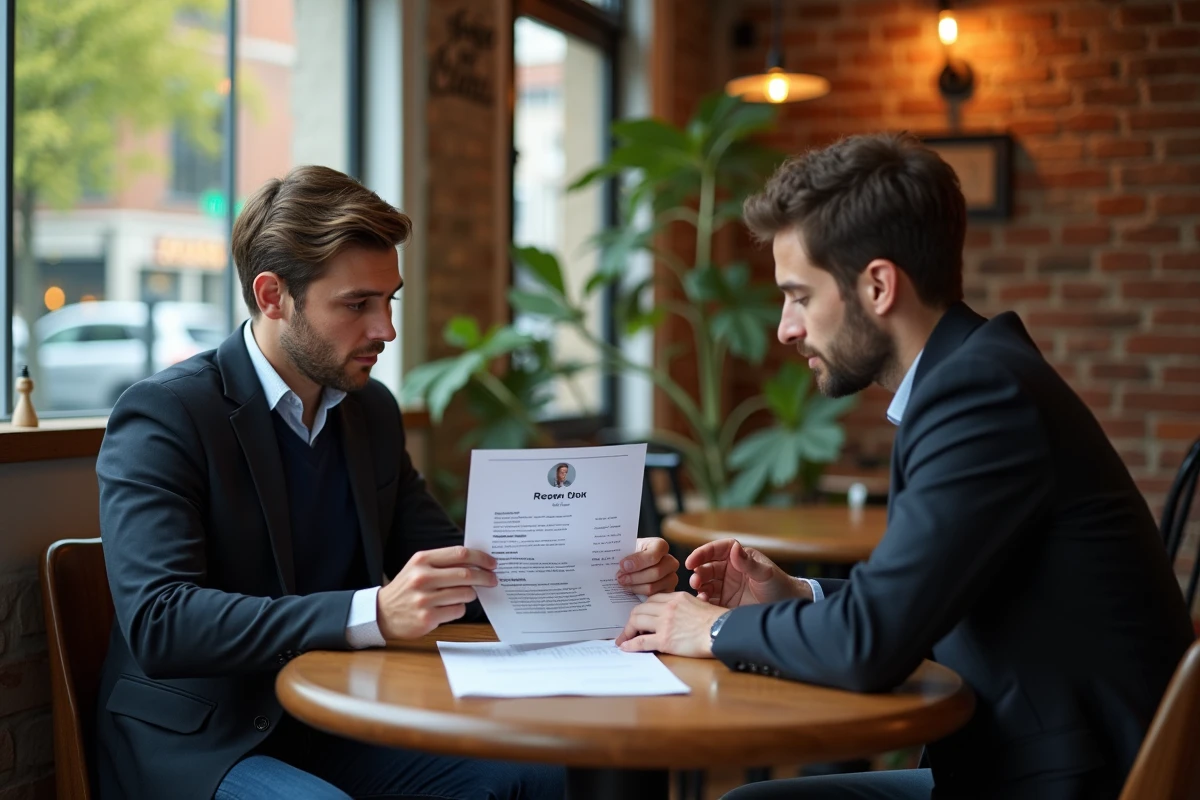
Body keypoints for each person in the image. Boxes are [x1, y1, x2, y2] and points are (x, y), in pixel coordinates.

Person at [615, 133, 1193, 799]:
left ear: (879, 286)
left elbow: (871, 645)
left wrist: (712, 628)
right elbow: (915, 605)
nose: (785, 328)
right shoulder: (978, 374)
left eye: (799, 295)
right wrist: (800, 597)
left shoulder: (980, 395)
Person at [95, 165, 680, 800]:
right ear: (272, 297)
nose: (386, 330)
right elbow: (160, 621)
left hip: (333, 717)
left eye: (388, 299)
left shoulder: (368, 412)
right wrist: (372, 612)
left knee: (529, 778)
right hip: (203, 741)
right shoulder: (167, 414)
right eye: (357, 304)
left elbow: (459, 568)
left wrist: (608, 579)